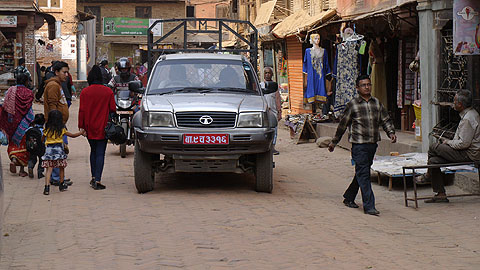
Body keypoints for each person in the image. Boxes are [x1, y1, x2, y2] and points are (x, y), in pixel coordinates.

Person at [328, 74, 397, 216]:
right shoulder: (353, 105)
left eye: (368, 84)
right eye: (363, 85)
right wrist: (334, 142)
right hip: (358, 145)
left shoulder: (376, 103)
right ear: (357, 88)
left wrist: (391, 133)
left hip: (372, 144)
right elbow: (343, 125)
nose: (367, 87)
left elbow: (385, 120)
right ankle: (369, 206)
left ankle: (349, 197)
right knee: (364, 174)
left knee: (361, 172)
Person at [419, 90, 480, 203]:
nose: (453, 103)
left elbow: (463, 144)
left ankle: (428, 175)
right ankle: (440, 194)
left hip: (468, 154)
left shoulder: (468, 118)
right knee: (433, 161)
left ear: (460, 105)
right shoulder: (469, 114)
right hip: (465, 151)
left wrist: (448, 142)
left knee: (434, 147)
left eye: (455, 101)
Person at [79, 65, 116, 190]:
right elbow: (113, 109)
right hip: (103, 126)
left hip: (89, 126)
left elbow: (82, 111)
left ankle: (94, 176)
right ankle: (98, 179)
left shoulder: (85, 92)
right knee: (100, 152)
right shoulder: (108, 91)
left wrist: (81, 126)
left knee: (93, 151)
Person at [43, 61, 72, 186]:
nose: (66, 75)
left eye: (67, 72)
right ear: (56, 72)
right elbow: (52, 106)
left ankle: (58, 177)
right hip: (56, 125)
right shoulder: (53, 86)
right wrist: (56, 125)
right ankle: (55, 178)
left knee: (59, 151)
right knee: (56, 151)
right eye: (64, 72)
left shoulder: (58, 85)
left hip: (59, 124)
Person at [41, 110, 84, 195]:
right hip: (59, 150)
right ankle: (61, 184)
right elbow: (72, 135)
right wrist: (81, 133)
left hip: (49, 151)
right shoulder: (62, 129)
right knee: (61, 168)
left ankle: (46, 187)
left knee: (49, 169)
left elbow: (42, 138)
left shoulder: (47, 128)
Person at [0, 73, 34, 177]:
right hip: (25, 123)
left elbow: (5, 105)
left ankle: (14, 160)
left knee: (14, 142)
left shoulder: (10, 91)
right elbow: (29, 108)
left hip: (12, 122)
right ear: (26, 82)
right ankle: (22, 170)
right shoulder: (29, 93)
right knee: (23, 143)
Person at [261, 67, 282, 155]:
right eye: (265, 73)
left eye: (269, 73)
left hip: (273, 111)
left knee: (274, 129)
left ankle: (272, 147)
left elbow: (277, 98)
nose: (267, 74)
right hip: (264, 111)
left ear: (272, 74)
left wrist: (279, 111)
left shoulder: (274, 86)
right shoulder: (260, 85)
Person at [26, 113, 46, 179]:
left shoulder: (30, 129)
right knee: (41, 160)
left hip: (31, 147)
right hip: (41, 148)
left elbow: (26, 134)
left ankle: (30, 167)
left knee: (32, 158)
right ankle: (40, 173)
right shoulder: (43, 130)